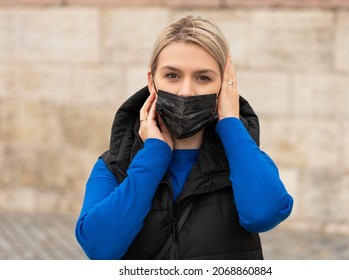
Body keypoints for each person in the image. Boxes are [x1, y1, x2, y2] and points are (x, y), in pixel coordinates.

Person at [75, 15, 293, 260]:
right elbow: (99, 247)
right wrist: (153, 156)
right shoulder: (115, 165)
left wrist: (232, 123)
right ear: (151, 81)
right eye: (172, 75)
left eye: (203, 78)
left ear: (224, 85)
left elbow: (263, 214)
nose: (186, 91)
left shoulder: (244, 159)